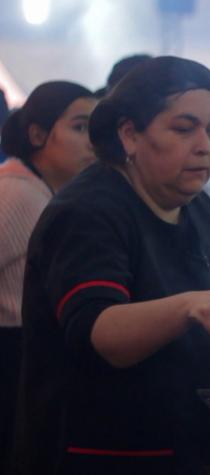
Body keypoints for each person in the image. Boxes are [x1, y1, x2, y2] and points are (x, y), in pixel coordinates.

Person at [12, 57, 210, 475]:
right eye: (184, 129)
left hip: (201, 450)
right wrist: (190, 306)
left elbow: (207, 314)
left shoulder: (203, 212)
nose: (205, 145)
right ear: (129, 134)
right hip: (106, 456)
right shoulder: (88, 211)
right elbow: (102, 332)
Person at [0, 80, 96, 473]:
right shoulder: (17, 194)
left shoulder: (45, 193)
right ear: (37, 134)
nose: (92, 141)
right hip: (10, 355)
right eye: (78, 127)